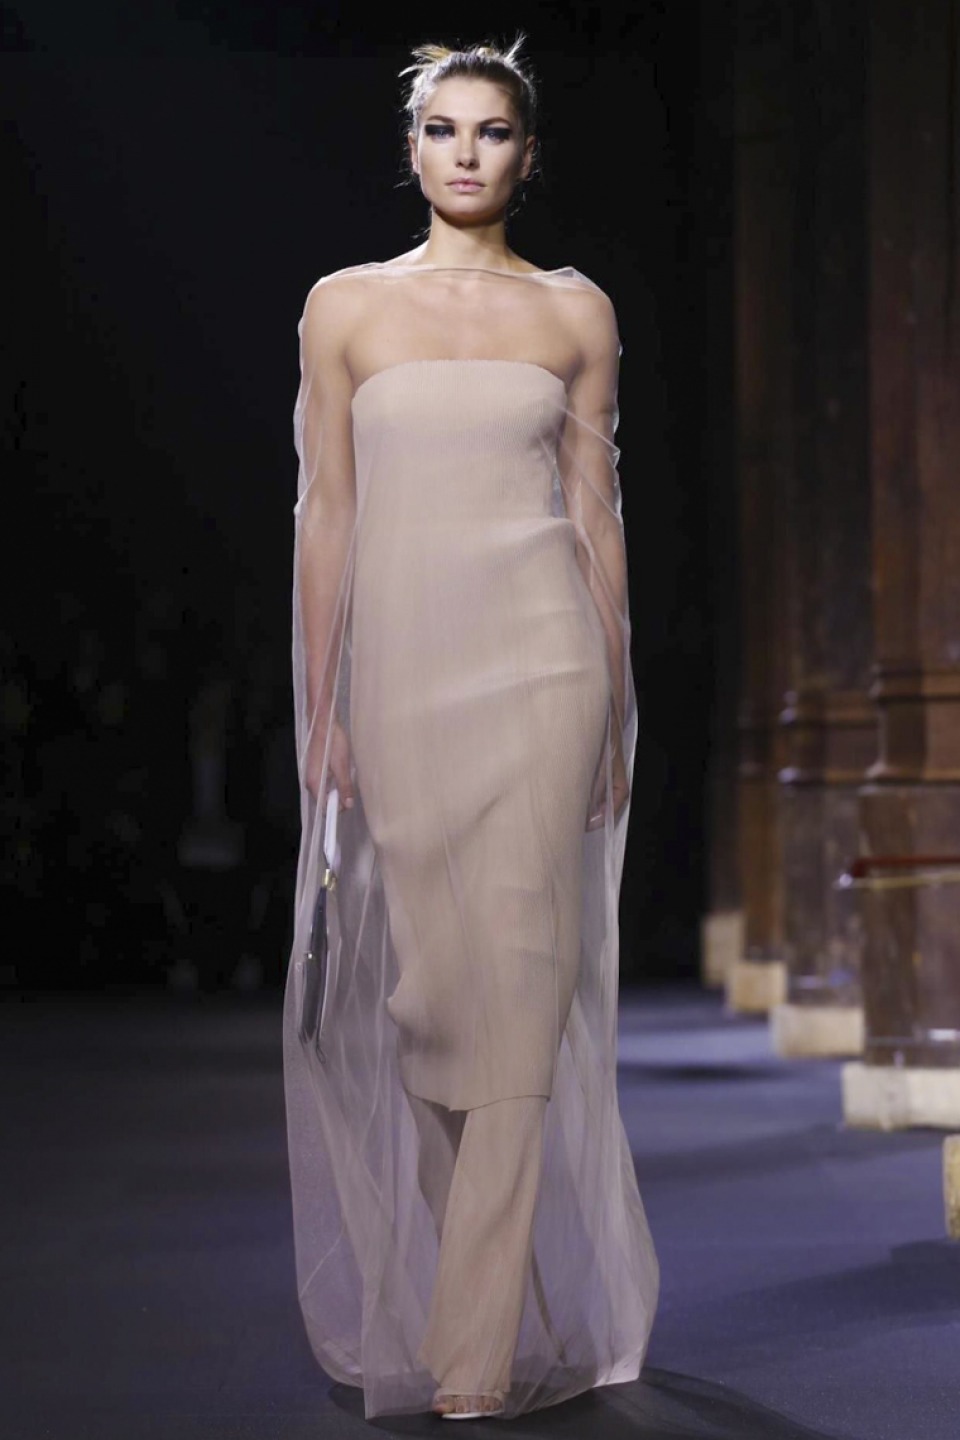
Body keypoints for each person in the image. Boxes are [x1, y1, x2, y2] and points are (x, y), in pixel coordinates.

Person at [281, 39, 658, 1422]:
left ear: (527, 155)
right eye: (443, 129)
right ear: (412, 149)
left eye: (492, 132)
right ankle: (479, 1298)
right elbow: (326, 515)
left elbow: (597, 518)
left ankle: (474, 1360)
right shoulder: (345, 308)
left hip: (545, 668)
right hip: (401, 676)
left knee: (525, 992)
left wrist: (616, 703)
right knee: (435, 1008)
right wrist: (324, 704)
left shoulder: (572, 312)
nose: (466, 154)